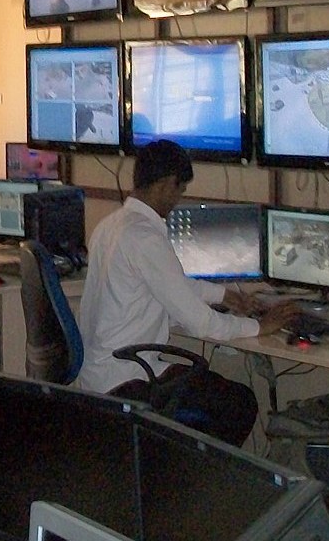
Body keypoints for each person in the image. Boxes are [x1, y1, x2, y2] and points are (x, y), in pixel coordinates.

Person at [77, 140, 298, 446]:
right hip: (128, 377)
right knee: (241, 402)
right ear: (168, 184)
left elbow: (170, 283)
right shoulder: (145, 237)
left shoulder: (111, 225)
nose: (178, 200)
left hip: (100, 373)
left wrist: (225, 297)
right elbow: (201, 325)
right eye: (180, 191)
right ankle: (191, 479)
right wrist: (261, 327)